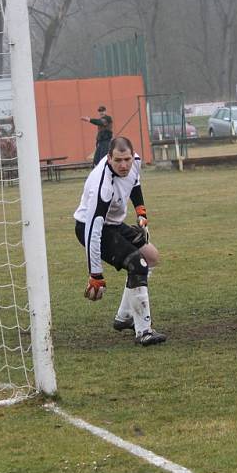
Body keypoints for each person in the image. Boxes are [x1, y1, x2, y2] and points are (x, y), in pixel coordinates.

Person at [74, 136, 166, 346]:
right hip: (89, 228)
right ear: (108, 158)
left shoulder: (135, 162)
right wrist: (95, 274)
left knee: (151, 257)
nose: (124, 165)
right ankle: (144, 332)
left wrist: (141, 210)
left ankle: (124, 318)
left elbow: (135, 182)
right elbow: (93, 231)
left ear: (132, 155)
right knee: (138, 265)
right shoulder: (102, 187)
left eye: (127, 159)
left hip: (113, 224)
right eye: (118, 161)